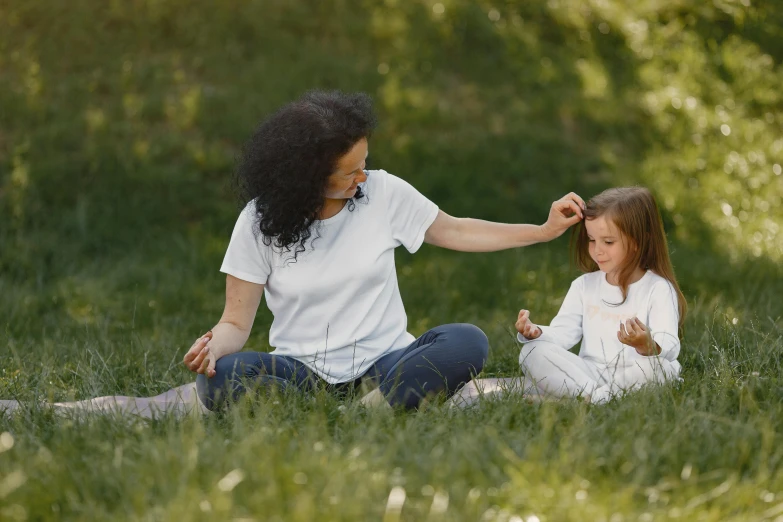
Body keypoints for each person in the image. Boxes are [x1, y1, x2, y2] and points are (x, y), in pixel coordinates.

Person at [181, 90, 587, 411]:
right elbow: (234, 323)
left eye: (365, 162)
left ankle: (362, 409)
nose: (363, 176)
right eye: (349, 172)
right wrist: (212, 348)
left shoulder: (383, 192)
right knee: (220, 379)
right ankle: (352, 404)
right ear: (306, 178)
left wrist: (541, 231)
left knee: (467, 342)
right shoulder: (258, 221)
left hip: (387, 363)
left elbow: (457, 230)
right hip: (300, 370)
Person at [512, 186, 687, 404]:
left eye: (608, 242)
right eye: (592, 240)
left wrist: (646, 344)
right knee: (532, 352)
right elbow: (563, 333)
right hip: (588, 374)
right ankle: (596, 399)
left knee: (661, 370)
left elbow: (669, 345)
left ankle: (579, 401)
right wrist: (536, 332)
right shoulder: (583, 286)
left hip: (637, 371)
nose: (597, 250)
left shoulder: (658, 288)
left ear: (637, 242)